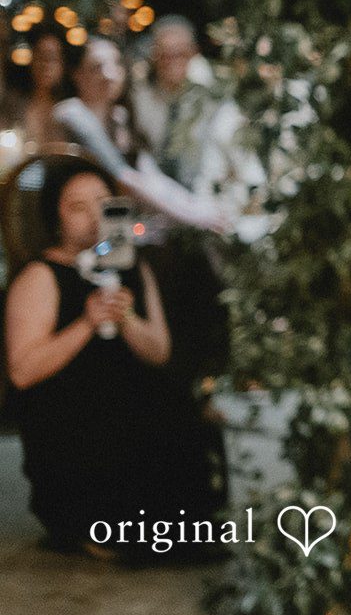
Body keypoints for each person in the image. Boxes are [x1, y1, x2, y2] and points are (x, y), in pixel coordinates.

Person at [4, 158, 223, 562]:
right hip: (72, 426)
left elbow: (159, 352)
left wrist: (125, 319)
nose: (92, 218)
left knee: (180, 436)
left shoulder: (132, 267)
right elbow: (22, 371)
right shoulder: (40, 276)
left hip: (132, 411)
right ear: (56, 216)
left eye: (101, 204)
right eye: (77, 207)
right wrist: (87, 323)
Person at [51, 36, 230, 233]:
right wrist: (196, 216)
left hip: (114, 224)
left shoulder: (118, 116)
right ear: (76, 74)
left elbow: (149, 174)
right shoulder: (71, 113)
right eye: (97, 67)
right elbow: (124, 177)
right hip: (78, 226)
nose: (109, 74)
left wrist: (198, 207)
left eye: (116, 64)